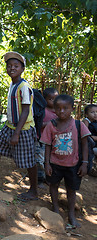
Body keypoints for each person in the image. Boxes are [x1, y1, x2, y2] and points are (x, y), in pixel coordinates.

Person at [0, 52, 38, 201]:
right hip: (9, 126)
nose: (12, 68)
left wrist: (16, 133)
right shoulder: (13, 84)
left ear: (22, 69)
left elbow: (25, 111)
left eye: (16, 66)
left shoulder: (24, 87)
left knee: (29, 161)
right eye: (9, 66)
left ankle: (34, 191)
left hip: (22, 129)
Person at [40, 94, 90, 228]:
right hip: (55, 163)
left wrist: (85, 163)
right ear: (54, 109)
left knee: (71, 189)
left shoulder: (78, 125)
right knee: (53, 185)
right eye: (58, 108)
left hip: (73, 164)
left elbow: (85, 144)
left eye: (65, 108)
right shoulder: (51, 125)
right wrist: (47, 163)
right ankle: (55, 209)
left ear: (72, 109)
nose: (61, 111)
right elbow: (47, 144)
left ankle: (71, 215)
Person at [35, 88, 59, 186]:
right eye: (51, 99)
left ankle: (48, 178)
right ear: (44, 99)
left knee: (50, 160)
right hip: (40, 139)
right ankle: (39, 179)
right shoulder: (42, 111)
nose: (54, 101)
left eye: (56, 99)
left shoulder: (59, 111)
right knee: (39, 160)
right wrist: (49, 123)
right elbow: (38, 125)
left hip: (53, 141)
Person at [82, 104, 97, 176]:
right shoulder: (86, 120)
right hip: (90, 143)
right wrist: (92, 137)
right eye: (92, 112)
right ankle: (89, 169)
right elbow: (85, 132)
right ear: (87, 114)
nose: (95, 114)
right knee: (90, 155)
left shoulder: (95, 122)